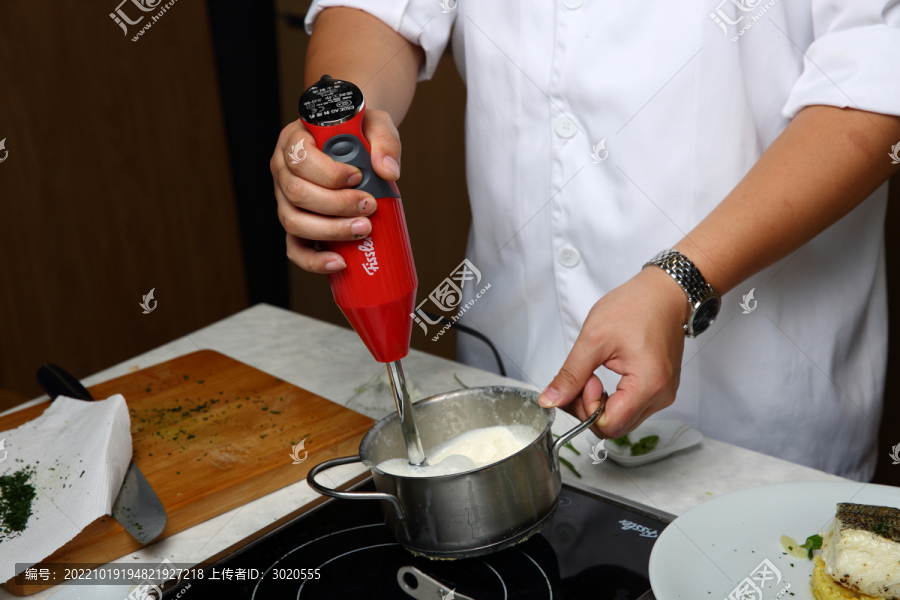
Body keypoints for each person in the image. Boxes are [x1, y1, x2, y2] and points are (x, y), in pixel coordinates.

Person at [270, 1, 900, 481]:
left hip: (760, 403)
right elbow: (380, 12)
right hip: (513, 362)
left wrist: (681, 279)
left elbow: (875, 78)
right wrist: (337, 132)